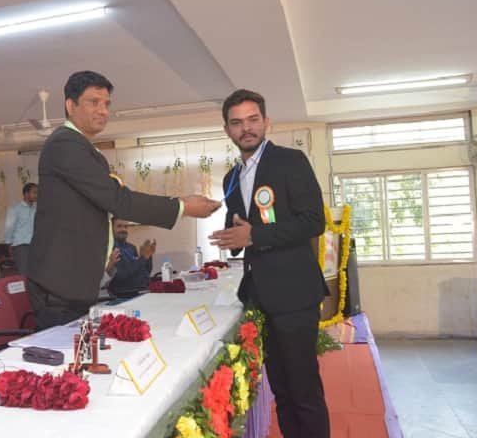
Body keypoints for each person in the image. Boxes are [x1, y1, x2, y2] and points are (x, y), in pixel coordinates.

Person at [27, 70, 220, 329]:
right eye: (94, 102)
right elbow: (118, 200)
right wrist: (182, 206)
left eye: (106, 104)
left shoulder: (83, 147)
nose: (103, 110)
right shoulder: (65, 144)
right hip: (59, 285)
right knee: (67, 353)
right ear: (70, 106)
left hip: (73, 282)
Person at [209, 89, 330, 438]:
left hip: (295, 294)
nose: (246, 128)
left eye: (252, 119)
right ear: (227, 130)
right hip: (260, 297)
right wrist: (232, 237)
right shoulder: (231, 178)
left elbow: (313, 221)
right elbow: (242, 228)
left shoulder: (290, 161)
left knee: (303, 390)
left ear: (266, 122)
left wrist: (253, 236)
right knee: (281, 389)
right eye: (237, 123)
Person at [107, 218, 155, 297]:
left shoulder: (131, 247)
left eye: (126, 227)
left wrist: (148, 256)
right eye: (119, 226)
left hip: (142, 291)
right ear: (111, 229)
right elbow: (120, 276)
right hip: (124, 296)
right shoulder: (110, 248)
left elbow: (145, 272)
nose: (123, 229)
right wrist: (143, 258)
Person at [4, 182, 37, 276]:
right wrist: (9, 245)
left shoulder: (37, 209)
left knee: (34, 275)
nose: (37, 195)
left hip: (35, 246)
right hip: (21, 247)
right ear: (26, 194)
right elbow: (9, 228)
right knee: (23, 274)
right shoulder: (15, 209)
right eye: (34, 192)